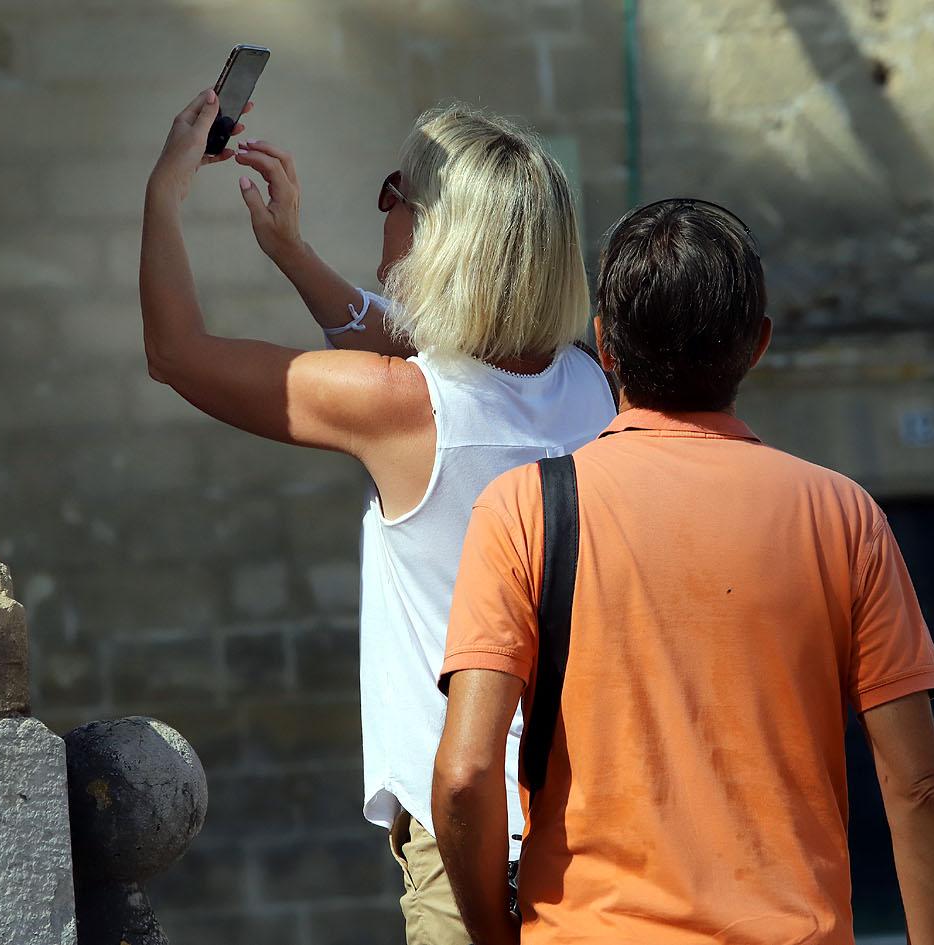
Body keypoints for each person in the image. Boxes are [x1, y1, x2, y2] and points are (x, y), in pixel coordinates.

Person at [140, 89, 615, 944]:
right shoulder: (589, 384)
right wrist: (292, 253)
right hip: (599, 823)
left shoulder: (404, 409)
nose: (384, 211)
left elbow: (177, 353)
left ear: (436, 234)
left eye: (393, 191)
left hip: (470, 848)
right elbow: (419, 343)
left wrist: (163, 196)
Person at [432, 198, 934, 945]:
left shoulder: (524, 509)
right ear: (758, 346)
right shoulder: (844, 516)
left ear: (604, 348)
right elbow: (920, 784)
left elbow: (464, 774)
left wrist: (497, 935)